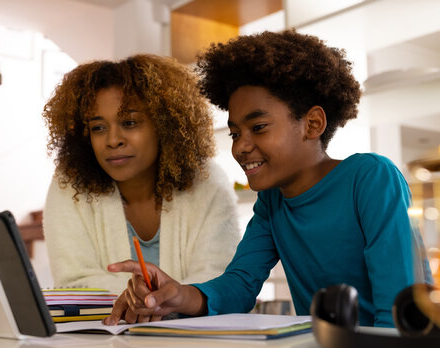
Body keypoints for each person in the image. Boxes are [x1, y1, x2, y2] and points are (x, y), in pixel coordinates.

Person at [103, 30, 432, 327]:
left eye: (258, 127)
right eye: (234, 133)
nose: (241, 147)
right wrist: (177, 294)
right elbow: (239, 286)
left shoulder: (371, 177)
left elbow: (398, 312)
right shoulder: (273, 202)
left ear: (313, 124)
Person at [42, 54, 241, 295]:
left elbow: (219, 281)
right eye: (98, 128)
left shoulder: (208, 182)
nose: (113, 140)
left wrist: (156, 299)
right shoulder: (70, 185)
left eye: (130, 123)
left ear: (164, 125)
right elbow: (72, 282)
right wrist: (142, 294)